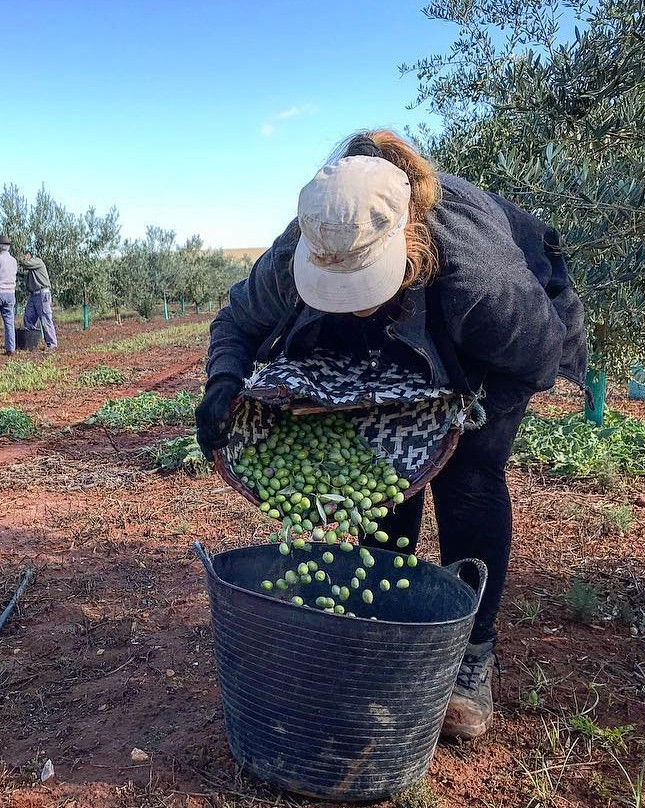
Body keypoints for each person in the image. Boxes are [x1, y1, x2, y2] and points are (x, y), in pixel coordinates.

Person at [196, 130, 586, 740]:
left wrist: (459, 414)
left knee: (470, 479)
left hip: (495, 355)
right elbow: (238, 321)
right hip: (403, 351)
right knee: (388, 486)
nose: (349, 304)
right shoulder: (308, 242)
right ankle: (388, 620)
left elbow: (539, 357)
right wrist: (223, 383)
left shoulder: (479, 284)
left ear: (407, 243)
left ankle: (473, 654)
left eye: (363, 283)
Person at [19, 249, 58, 349]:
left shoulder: (37, 261)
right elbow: (24, 275)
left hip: (42, 294)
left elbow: (24, 263)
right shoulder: (31, 270)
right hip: (33, 295)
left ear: (29, 255)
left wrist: (19, 258)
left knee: (45, 319)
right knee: (28, 318)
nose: (24, 258)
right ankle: (30, 343)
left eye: (25, 255)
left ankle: (52, 344)